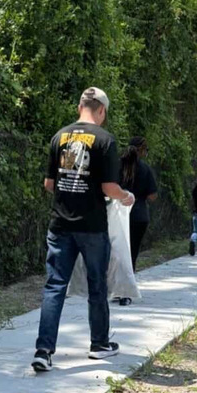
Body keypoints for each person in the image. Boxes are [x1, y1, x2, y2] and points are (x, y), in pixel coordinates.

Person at [32, 87, 135, 373]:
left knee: (55, 286)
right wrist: (125, 196)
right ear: (101, 110)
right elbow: (109, 188)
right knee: (97, 285)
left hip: (60, 225)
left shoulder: (59, 137)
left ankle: (43, 351)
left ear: (80, 107)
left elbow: (49, 184)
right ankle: (99, 344)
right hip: (92, 227)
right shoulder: (105, 140)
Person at [117, 137, 157, 304]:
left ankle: (116, 289)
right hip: (138, 215)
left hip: (117, 214)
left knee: (116, 254)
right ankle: (125, 293)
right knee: (131, 254)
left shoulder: (116, 166)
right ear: (141, 150)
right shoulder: (145, 169)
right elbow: (152, 196)